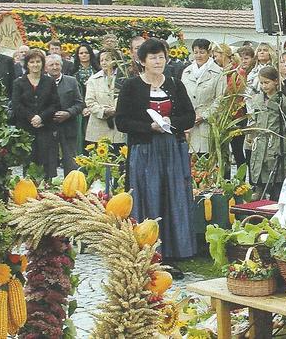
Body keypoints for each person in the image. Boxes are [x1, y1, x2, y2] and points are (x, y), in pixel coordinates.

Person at [115, 38, 197, 266]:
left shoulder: (175, 84)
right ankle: (147, 248)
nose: (158, 61)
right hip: (145, 150)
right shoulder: (131, 86)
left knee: (173, 196)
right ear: (142, 61)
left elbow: (189, 116)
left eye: (161, 57)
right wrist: (148, 127)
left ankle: (174, 251)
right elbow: (122, 122)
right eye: (153, 58)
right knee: (149, 194)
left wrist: (172, 122)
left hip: (172, 150)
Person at [11, 49, 61, 179]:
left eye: (38, 61)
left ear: (42, 63)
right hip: (26, 129)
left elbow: (55, 104)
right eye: (32, 62)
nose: (35, 65)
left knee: (47, 163)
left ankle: (48, 186)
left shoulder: (49, 81)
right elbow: (17, 105)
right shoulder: (18, 82)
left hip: (46, 127)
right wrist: (31, 117)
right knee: (29, 163)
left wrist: (41, 117)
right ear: (27, 64)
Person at [249, 66, 286, 199]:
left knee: (276, 177)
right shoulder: (257, 99)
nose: (264, 86)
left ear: (275, 81)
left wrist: (281, 138)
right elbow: (253, 119)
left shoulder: (282, 101)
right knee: (259, 175)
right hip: (259, 143)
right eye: (261, 83)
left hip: (275, 144)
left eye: (267, 82)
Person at [181, 39, 226, 155]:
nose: (198, 55)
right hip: (189, 124)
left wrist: (204, 116)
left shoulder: (218, 73)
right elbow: (181, 96)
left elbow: (220, 99)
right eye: (196, 52)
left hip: (209, 123)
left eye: (202, 52)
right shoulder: (186, 72)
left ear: (209, 53)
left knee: (206, 157)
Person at [45, 54, 85, 175]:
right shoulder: (42, 82)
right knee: (49, 161)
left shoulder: (71, 81)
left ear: (61, 66)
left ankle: (72, 184)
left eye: (57, 64)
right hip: (48, 127)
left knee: (71, 161)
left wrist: (68, 113)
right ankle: (48, 184)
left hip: (68, 127)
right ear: (45, 68)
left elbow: (80, 104)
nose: (55, 67)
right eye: (51, 65)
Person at [212, 43, 248, 168]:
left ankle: (240, 177)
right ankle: (224, 176)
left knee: (237, 150)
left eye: (216, 56)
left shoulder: (237, 72)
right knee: (222, 151)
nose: (215, 59)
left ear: (224, 55)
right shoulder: (217, 72)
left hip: (235, 115)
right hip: (220, 115)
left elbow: (235, 92)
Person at [84, 49, 127, 152]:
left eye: (107, 60)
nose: (103, 62)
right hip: (98, 127)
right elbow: (90, 101)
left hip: (118, 127)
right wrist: (103, 111)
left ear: (115, 61)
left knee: (118, 156)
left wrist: (115, 109)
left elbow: (126, 97)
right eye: (101, 60)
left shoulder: (123, 78)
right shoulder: (93, 79)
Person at [70, 42, 99, 151]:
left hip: (96, 108)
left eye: (86, 53)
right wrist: (82, 108)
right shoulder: (73, 73)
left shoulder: (98, 72)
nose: (84, 55)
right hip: (80, 110)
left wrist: (91, 108)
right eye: (81, 53)